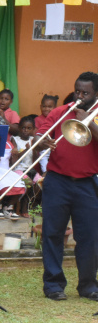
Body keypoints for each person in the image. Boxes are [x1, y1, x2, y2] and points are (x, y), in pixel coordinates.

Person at [35, 72, 98, 302]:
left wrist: (89, 121)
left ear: (96, 94)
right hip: (57, 181)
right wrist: (41, 141)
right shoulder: (60, 112)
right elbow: (38, 136)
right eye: (77, 91)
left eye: (85, 93)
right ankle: (53, 285)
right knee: (52, 234)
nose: (80, 96)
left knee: (90, 237)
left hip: (87, 183)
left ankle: (88, 285)